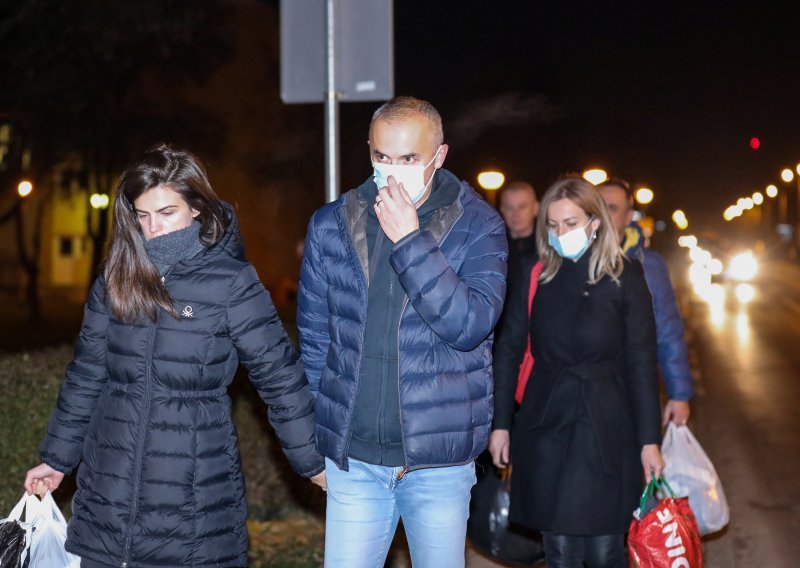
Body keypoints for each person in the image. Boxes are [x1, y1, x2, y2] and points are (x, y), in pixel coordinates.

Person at [24, 144, 325, 568]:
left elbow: (278, 374)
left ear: (198, 208)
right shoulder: (116, 277)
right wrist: (56, 458)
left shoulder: (231, 282)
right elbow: (87, 374)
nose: (154, 228)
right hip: (108, 496)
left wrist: (312, 460)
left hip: (193, 502)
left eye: (167, 212)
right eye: (142, 216)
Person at [296, 96, 508, 567]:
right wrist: (317, 441)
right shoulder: (333, 223)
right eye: (381, 157)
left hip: (438, 462)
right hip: (355, 463)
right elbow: (314, 339)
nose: (392, 172)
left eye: (409, 159)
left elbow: (469, 325)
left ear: (440, 156)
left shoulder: (478, 225)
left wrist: (410, 241)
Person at [490, 175, 664, 567]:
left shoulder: (626, 276)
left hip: (608, 429)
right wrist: (500, 424)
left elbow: (641, 359)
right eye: (552, 226)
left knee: (604, 552)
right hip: (546, 423)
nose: (560, 233)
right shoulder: (536, 273)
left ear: (595, 222)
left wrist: (649, 440)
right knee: (560, 551)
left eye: (570, 224)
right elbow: (510, 349)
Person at [597, 178, 694, 425]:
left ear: (629, 216)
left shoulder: (649, 265)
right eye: (598, 206)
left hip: (632, 389)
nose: (605, 215)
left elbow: (668, 329)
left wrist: (679, 394)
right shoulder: (572, 260)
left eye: (613, 208)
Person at [498, 180, 539, 267]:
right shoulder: (489, 249)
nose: (516, 214)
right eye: (509, 207)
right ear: (502, 210)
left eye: (522, 207)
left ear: (536, 208)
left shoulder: (550, 248)